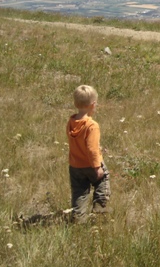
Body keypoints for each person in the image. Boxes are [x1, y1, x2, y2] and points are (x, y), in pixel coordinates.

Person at [67, 85, 111, 222]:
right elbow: (91, 149)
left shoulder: (71, 122)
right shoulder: (91, 125)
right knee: (102, 181)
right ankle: (99, 210)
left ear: (75, 103)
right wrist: (97, 166)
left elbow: (81, 144)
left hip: (75, 166)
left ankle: (78, 217)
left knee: (79, 191)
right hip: (91, 165)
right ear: (93, 104)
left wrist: (98, 148)